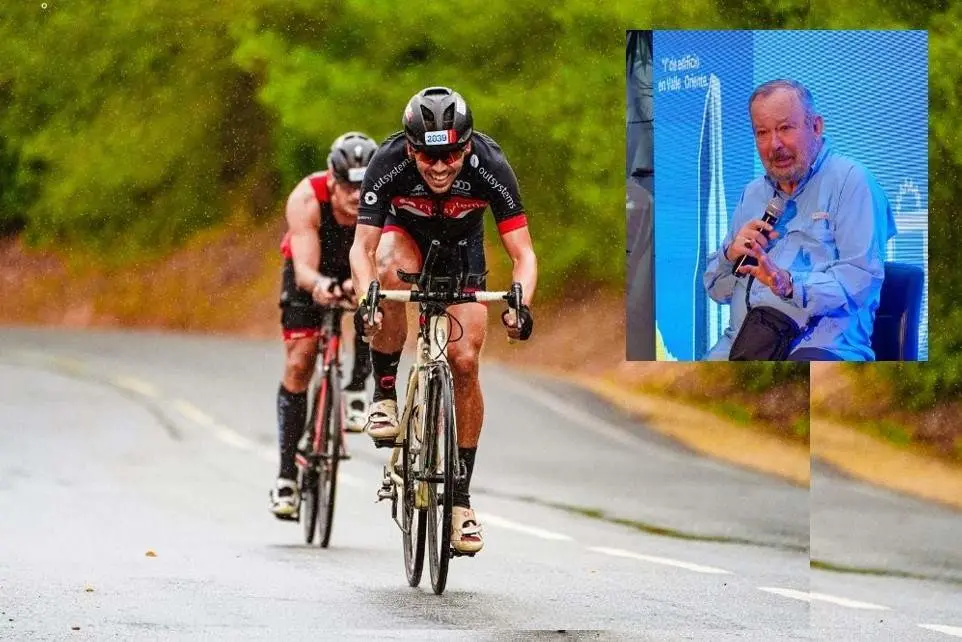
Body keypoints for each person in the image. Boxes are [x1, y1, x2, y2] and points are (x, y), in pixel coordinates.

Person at [349, 87, 537, 554]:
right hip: (402, 237)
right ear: (410, 148)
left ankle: (459, 501)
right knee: (387, 272)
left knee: (466, 360)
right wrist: (365, 299)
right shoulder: (389, 160)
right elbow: (363, 248)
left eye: (451, 154)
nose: (439, 167)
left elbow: (523, 253)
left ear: (468, 145)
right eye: (427, 156)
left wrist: (521, 305)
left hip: (461, 251)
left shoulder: (490, 165)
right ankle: (386, 393)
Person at [703, 79, 896, 361]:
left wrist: (788, 284)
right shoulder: (753, 193)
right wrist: (730, 254)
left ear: (816, 126)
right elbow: (717, 291)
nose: (774, 145)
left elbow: (860, 282)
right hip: (744, 343)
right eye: (762, 132)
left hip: (819, 346)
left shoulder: (852, 182)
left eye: (784, 128)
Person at [269, 132, 378, 519]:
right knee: (300, 361)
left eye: (364, 186)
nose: (356, 194)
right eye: (349, 184)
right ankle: (286, 475)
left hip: (358, 269)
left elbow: (385, 257)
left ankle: (357, 387)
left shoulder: (382, 198)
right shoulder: (306, 198)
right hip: (311, 270)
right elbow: (302, 270)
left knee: (376, 307)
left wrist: (360, 287)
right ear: (332, 179)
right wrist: (322, 286)